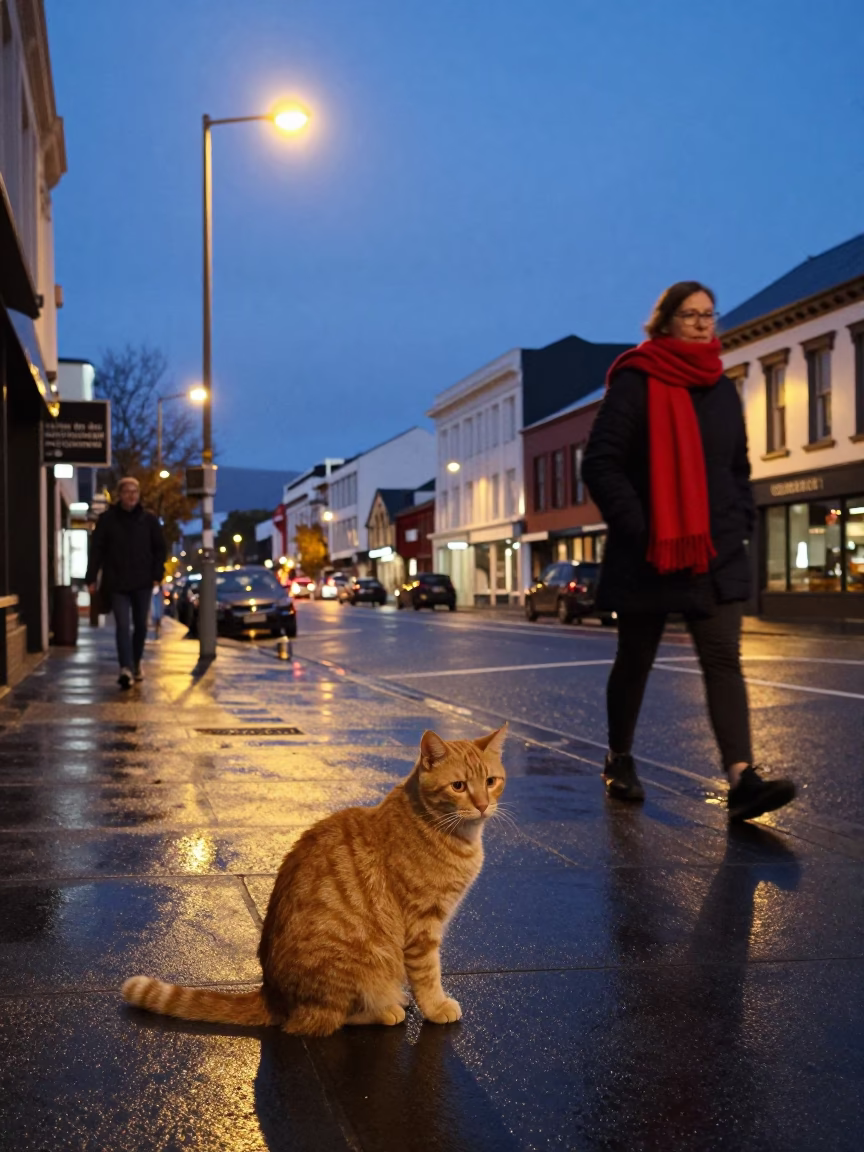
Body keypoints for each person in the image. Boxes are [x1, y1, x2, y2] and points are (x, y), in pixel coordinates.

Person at [582, 281, 796, 822]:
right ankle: (619, 758)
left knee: (724, 659)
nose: (702, 323)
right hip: (650, 550)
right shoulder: (636, 381)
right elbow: (600, 463)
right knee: (635, 660)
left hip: (715, 549)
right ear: (665, 322)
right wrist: (642, 529)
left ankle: (742, 778)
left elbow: (738, 466)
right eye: (690, 314)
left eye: (709, 314)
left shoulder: (721, 387)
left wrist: (740, 522)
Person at [85, 477, 167, 689]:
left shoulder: (149, 520)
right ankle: (125, 668)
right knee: (122, 625)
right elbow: (97, 550)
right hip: (117, 581)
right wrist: (91, 577)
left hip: (142, 582)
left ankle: (136, 662)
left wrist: (157, 574)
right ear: (119, 495)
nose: (131, 496)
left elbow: (159, 549)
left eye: (135, 492)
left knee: (140, 625)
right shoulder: (107, 520)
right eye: (127, 492)